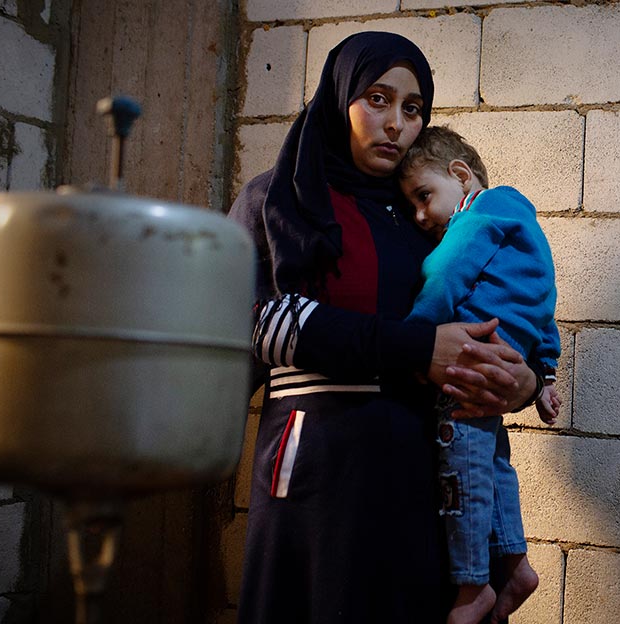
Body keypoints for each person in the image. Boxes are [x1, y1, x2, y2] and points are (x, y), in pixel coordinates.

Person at [227, 32, 543, 623]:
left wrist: (522, 383)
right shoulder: (279, 199)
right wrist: (418, 347)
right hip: (319, 476)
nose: (395, 123)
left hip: (424, 479)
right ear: (339, 97)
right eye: (377, 98)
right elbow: (253, 324)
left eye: (413, 107)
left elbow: (485, 320)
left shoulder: (424, 214)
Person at [397, 126, 561, 624]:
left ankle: (473, 588)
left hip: (468, 366)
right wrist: (546, 374)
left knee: (460, 472)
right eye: (413, 208)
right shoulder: (525, 230)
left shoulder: (477, 217)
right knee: (491, 466)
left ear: (460, 176)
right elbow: (545, 309)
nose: (422, 217)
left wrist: (412, 338)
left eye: (424, 197)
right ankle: (515, 565)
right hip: (507, 366)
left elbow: (444, 275)